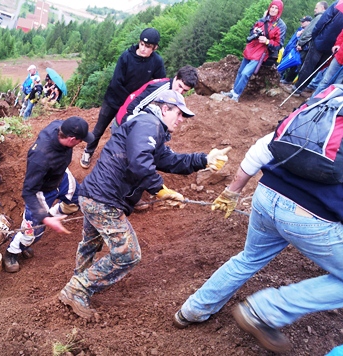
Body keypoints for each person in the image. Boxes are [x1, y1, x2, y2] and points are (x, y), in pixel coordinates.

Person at [59, 90, 232, 319]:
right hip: (104, 200)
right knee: (128, 254)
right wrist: (160, 190)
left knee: (90, 244)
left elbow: (170, 160)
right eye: (179, 114)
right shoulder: (149, 123)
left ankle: (78, 283)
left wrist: (204, 160)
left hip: (93, 195)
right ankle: (77, 289)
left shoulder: (151, 130)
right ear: (164, 109)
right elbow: (140, 161)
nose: (181, 120)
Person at [173, 132, 343, 353]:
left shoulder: (320, 109)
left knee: (249, 257)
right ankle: (267, 309)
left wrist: (232, 191)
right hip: (311, 216)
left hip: (267, 193)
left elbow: (262, 147)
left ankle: (192, 310)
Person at [3, 117, 94, 273]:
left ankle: (52, 214)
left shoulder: (59, 127)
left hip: (61, 176)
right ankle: (12, 252)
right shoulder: (40, 157)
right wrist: (44, 218)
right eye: (81, 140)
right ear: (72, 139)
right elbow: (28, 191)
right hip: (41, 191)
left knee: (77, 201)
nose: (82, 142)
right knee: (32, 232)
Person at [80, 27, 166, 169]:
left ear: (155, 48)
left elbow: (159, 82)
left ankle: (112, 161)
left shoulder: (156, 61)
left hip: (134, 106)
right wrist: (129, 100)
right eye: (142, 44)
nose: (143, 49)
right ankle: (88, 151)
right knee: (99, 129)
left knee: (123, 134)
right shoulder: (126, 56)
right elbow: (116, 82)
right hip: (114, 99)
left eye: (148, 46)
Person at [222, 0, 286, 103]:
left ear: (279, 10)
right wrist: (254, 31)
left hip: (261, 52)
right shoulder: (262, 20)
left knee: (246, 73)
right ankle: (233, 92)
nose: (273, 10)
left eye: (276, 8)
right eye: (272, 7)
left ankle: (236, 95)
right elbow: (252, 30)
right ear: (269, 8)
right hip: (251, 49)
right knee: (240, 72)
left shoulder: (281, 26)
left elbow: (279, 44)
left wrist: (267, 41)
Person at [288, 0, 342, 96]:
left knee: (309, 66)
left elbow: (323, 20)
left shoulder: (338, 4)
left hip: (321, 41)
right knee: (317, 69)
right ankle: (301, 88)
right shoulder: (339, 4)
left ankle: (297, 88)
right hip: (334, 47)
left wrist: (315, 35)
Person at [114, 65, 199, 127]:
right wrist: (136, 129)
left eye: (185, 90)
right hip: (124, 121)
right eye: (180, 86)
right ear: (176, 77)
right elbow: (133, 107)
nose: (180, 91)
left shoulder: (172, 93)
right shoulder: (161, 89)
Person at [279, 16, 312, 84]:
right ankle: (281, 78)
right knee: (283, 65)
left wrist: (298, 36)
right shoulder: (300, 29)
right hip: (290, 49)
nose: (301, 22)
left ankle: (288, 80)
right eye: (301, 21)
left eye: (303, 21)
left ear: (309, 22)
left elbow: (306, 44)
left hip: (298, 52)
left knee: (294, 67)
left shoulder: (309, 32)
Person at [312, 28, 343, 97]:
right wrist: (337, 44)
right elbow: (342, 35)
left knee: (336, 87)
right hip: (339, 56)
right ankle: (314, 99)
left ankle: (325, 104)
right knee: (325, 81)